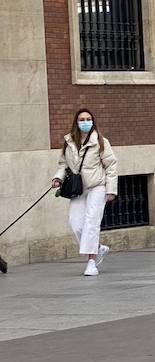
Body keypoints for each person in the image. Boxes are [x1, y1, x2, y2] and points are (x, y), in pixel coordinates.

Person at [51, 108, 118, 277]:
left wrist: (111, 190)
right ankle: (97, 248)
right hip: (78, 187)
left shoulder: (101, 141)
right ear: (76, 122)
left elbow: (111, 166)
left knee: (91, 222)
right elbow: (63, 164)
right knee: (76, 223)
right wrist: (57, 178)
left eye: (88, 119)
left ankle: (91, 262)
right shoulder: (69, 142)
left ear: (93, 121)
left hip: (97, 186)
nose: (85, 122)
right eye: (82, 119)